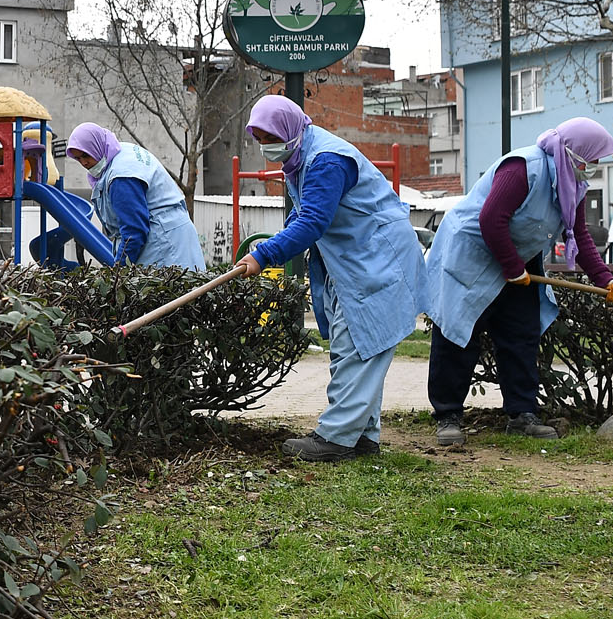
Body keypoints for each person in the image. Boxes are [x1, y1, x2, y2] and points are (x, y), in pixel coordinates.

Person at [234, 95, 423, 462]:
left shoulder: (325, 160)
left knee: (359, 343)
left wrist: (264, 254)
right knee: (353, 344)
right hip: (356, 258)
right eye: (259, 139)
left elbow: (313, 222)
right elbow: (303, 215)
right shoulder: (300, 156)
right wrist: (269, 248)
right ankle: (362, 437)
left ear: (289, 130)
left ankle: (336, 438)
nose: (266, 146)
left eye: (270, 137)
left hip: (377, 257)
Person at [423, 116, 613, 447]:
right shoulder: (523, 168)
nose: (594, 165)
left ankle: (522, 415)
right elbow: (491, 219)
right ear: (573, 152)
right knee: (460, 333)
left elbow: (579, 234)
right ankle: (448, 415)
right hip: (473, 252)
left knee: (521, 334)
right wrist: (511, 267)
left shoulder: (571, 183)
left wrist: (607, 281)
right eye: (592, 159)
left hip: (518, 256)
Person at [63, 123, 206, 269]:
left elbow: (134, 230)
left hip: (164, 245)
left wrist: (118, 271)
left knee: (172, 289)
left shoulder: (121, 177)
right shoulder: (119, 151)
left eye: (86, 155)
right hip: (173, 235)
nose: (84, 163)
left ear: (96, 146)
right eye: (78, 158)